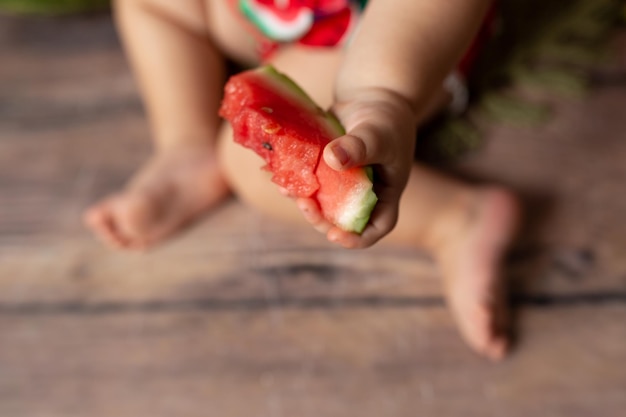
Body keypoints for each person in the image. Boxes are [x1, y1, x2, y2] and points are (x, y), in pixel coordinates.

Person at [84, 0, 520, 360]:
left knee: (249, 169)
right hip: (270, 14)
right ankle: (186, 142)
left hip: (388, 35)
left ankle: (454, 217)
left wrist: (379, 94)